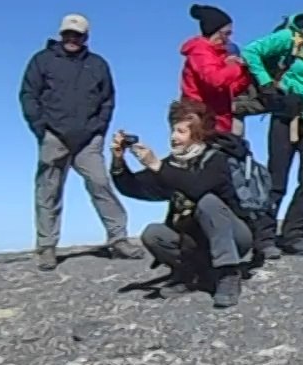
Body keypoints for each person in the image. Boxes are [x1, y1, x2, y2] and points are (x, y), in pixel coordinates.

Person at [19, 13, 144, 270]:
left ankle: (118, 239)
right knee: (48, 190)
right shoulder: (42, 61)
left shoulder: (97, 64)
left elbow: (107, 99)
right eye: (68, 34)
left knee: (100, 184)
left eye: (77, 35)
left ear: (86, 37)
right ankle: (46, 247)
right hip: (54, 135)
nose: (72, 39)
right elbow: (28, 95)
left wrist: (99, 129)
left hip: (88, 139)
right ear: (61, 34)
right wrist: (41, 128)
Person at [109, 99, 254, 308]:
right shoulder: (171, 164)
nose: (173, 137)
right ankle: (190, 274)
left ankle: (228, 274)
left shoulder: (216, 159)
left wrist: (155, 165)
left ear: (198, 133)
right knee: (153, 233)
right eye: (173, 131)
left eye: (181, 131)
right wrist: (118, 161)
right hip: (194, 242)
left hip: (233, 237)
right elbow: (133, 188)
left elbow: (197, 187)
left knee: (208, 202)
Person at [241, 6, 303, 258]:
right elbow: (251, 51)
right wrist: (267, 83)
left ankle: (293, 234)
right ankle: (264, 237)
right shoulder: (288, 38)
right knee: (276, 180)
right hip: (285, 118)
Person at [180, 4, 251, 135]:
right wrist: (235, 67)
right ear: (215, 31)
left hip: (220, 120)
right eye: (226, 33)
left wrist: (245, 73)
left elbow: (230, 89)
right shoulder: (200, 51)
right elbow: (214, 80)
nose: (228, 38)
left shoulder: (220, 54)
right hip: (200, 117)